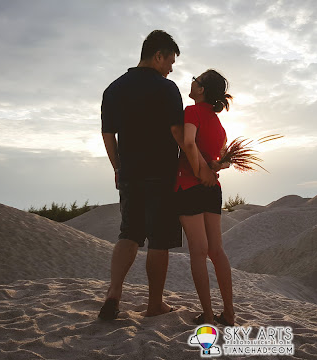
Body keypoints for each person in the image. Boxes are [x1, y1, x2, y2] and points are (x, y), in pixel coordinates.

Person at [98, 30, 217, 320]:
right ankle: (154, 304)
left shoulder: (114, 88)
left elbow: (108, 134)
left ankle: (114, 294)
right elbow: (179, 134)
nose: (171, 68)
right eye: (170, 61)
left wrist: (117, 167)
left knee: (128, 233)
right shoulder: (166, 89)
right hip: (162, 175)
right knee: (159, 240)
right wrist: (201, 168)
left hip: (130, 173)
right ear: (158, 55)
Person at [174, 69, 235, 326]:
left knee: (198, 253)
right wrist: (211, 169)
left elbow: (188, 143)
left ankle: (208, 314)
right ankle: (229, 313)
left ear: (201, 90)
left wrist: (199, 173)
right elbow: (218, 160)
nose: (191, 82)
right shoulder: (219, 124)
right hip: (213, 189)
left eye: (195, 80)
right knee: (216, 251)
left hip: (190, 185)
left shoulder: (192, 111)